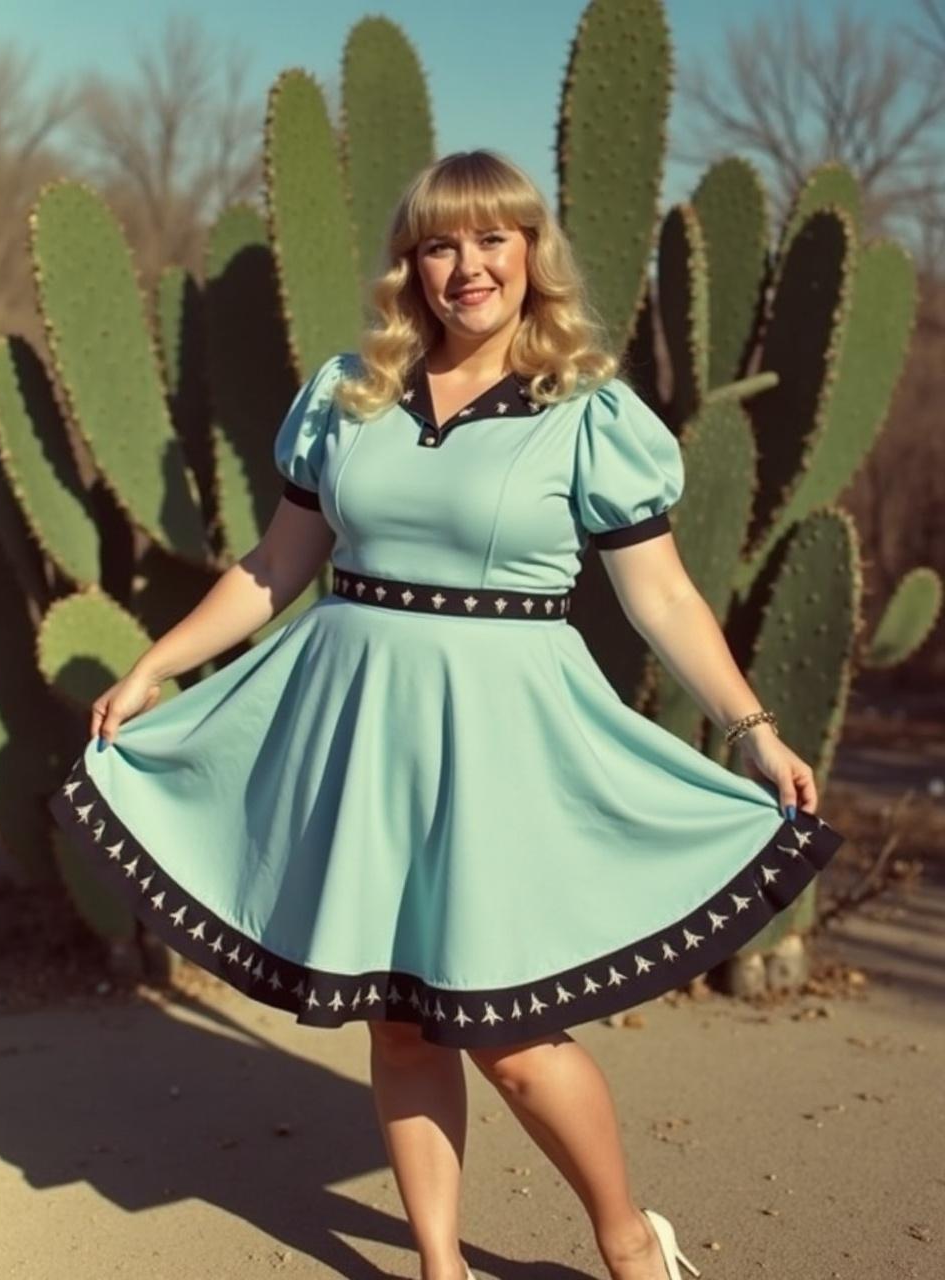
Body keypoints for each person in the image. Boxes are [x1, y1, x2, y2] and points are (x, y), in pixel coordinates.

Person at [50, 149, 845, 1280]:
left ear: (530, 253)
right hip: (361, 731)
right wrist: (154, 665)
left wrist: (751, 723)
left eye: (491, 239)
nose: (467, 266)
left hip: (500, 752)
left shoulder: (586, 412)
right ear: (409, 265)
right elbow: (278, 564)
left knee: (513, 1037)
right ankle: (438, 1265)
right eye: (439, 244)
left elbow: (659, 592)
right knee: (401, 1020)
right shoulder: (348, 393)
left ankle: (629, 1241)